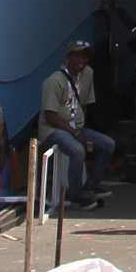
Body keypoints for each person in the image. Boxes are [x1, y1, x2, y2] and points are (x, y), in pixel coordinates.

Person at [38, 42, 113, 210]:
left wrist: (80, 127)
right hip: (54, 129)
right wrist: (75, 133)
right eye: (77, 56)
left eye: (85, 56)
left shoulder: (87, 74)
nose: (82, 60)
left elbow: (84, 103)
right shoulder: (54, 81)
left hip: (75, 126)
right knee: (77, 150)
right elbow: (50, 116)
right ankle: (76, 195)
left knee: (107, 144)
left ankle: (90, 185)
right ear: (68, 57)